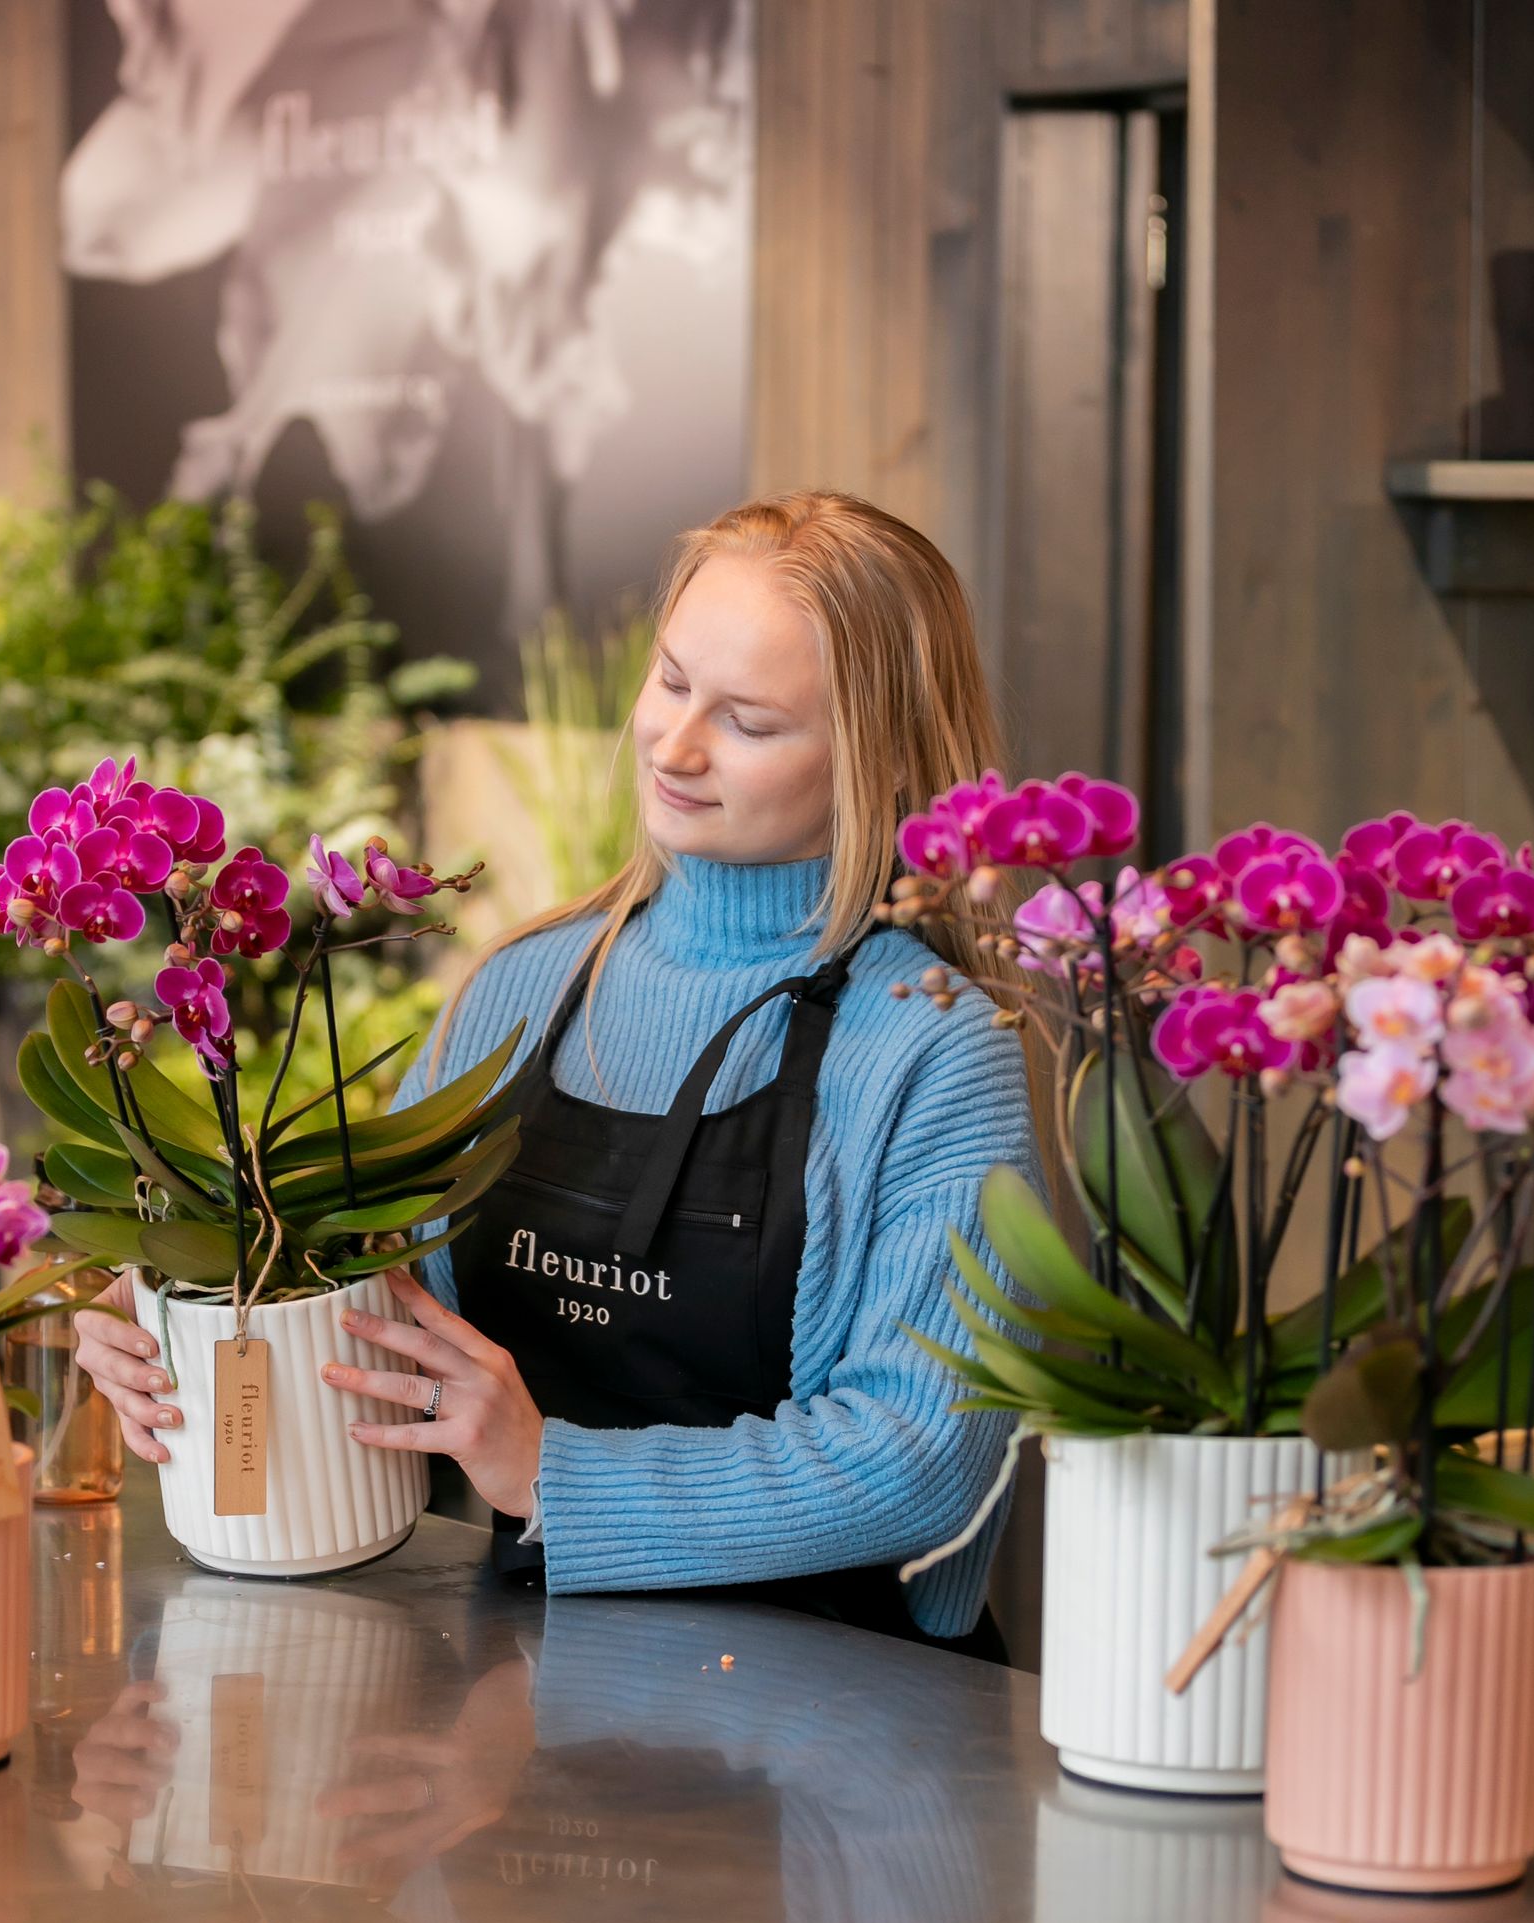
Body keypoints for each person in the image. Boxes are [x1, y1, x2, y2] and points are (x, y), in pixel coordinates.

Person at [74, 489, 1036, 1649]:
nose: (675, 745)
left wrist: (550, 1474)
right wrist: (192, 1316)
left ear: (880, 761)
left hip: (828, 1745)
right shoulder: (525, 988)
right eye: (673, 682)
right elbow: (379, 1306)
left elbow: (920, 1459)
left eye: (748, 720)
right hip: (522, 1689)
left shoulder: (933, 1049)